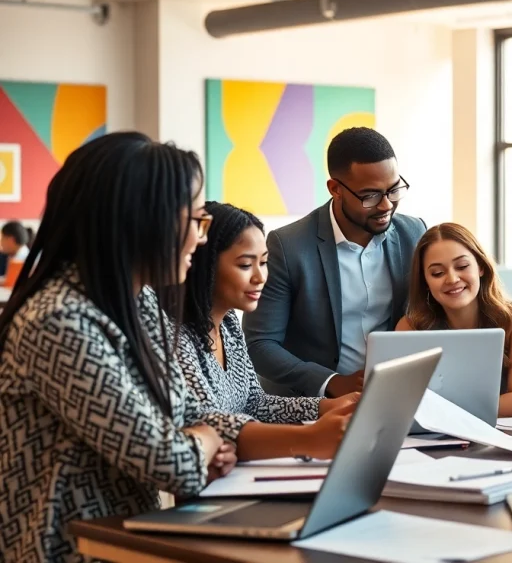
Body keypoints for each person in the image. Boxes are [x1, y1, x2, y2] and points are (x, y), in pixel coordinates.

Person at [0, 132, 245, 562]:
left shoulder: (138, 300)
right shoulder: (59, 321)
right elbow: (171, 463)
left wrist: (199, 439)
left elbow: (186, 416)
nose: (200, 238)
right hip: (67, 551)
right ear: (142, 220)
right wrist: (202, 441)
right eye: (195, 221)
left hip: (130, 542)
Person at [243, 127, 427, 398]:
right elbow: (260, 345)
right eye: (371, 196)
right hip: (310, 405)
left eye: (393, 189)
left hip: (395, 397)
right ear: (335, 189)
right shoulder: (289, 246)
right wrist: (331, 382)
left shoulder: (414, 233)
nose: (386, 205)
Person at [173, 201, 359, 461]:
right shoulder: (175, 337)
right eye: (246, 265)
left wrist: (326, 407)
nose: (261, 277)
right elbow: (203, 422)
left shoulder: (228, 324)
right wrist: (309, 438)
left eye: (264, 262)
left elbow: (255, 403)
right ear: (205, 265)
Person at [396, 223, 512, 417]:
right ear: (425, 281)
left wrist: (442, 411)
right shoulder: (410, 327)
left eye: (462, 266)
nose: (452, 279)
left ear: (480, 267)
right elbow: (403, 405)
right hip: (435, 440)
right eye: (437, 273)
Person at [1, 220, 33, 288]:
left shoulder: (28, 260)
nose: (1, 242)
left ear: (10, 240)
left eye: (2, 238)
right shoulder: (7, 256)